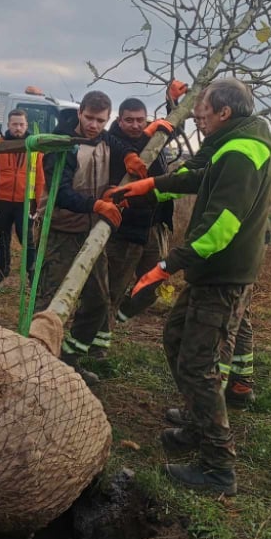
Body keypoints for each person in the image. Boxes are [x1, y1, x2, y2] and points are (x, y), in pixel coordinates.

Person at [110, 78, 271, 495]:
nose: (199, 118)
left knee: (199, 364)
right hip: (212, 271)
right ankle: (196, 423)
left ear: (224, 112)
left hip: (223, 275)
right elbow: (196, 173)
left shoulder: (242, 152)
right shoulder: (232, 140)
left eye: (203, 111)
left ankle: (218, 467)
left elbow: (220, 227)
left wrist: (167, 265)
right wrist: (150, 186)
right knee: (175, 337)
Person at [35, 90, 145, 384]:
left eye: (100, 120)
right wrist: (96, 205)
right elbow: (61, 193)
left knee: (98, 301)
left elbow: (115, 142)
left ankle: (68, 361)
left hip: (92, 232)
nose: (94, 125)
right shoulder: (62, 145)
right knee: (49, 301)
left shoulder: (104, 139)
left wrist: (130, 154)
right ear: (80, 113)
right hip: (60, 230)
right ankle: (36, 364)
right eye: (89, 118)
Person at [100, 97, 173, 352]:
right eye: (129, 120)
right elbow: (119, 142)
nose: (134, 125)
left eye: (140, 120)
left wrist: (172, 105)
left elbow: (171, 130)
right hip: (125, 229)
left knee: (153, 283)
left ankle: (123, 313)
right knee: (113, 288)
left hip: (153, 227)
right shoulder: (112, 142)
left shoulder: (150, 138)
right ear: (119, 120)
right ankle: (98, 344)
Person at [0, 109, 44, 288]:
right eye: (15, 124)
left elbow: (40, 179)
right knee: (2, 239)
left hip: (26, 203)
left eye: (21, 124)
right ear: (8, 125)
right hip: (2, 201)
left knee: (27, 241)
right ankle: (2, 277)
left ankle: (33, 281)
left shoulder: (35, 147)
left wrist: (40, 206)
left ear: (26, 125)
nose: (18, 128)